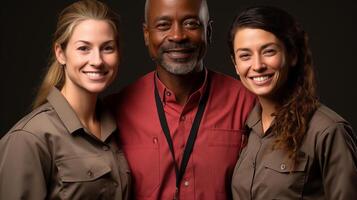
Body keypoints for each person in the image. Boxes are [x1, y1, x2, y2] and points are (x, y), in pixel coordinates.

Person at [107, 0, 256, 199]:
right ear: (146, 34)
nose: (177, 36)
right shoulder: (114, 111)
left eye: (191, 24)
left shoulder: (248, 103)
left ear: (208, 32)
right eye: (163, 25)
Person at [0, 0, 131, 199]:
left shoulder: (117, 128)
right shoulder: (29, 138)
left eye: (107, 48)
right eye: (84, 48)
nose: (97, 60)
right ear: (60, 53)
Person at [228, 5, 357, 199]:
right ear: (236, 65)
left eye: (269, 51)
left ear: (292, 55)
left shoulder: (327, 130)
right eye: (245, 55)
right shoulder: (249, 130)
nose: (257, 66)